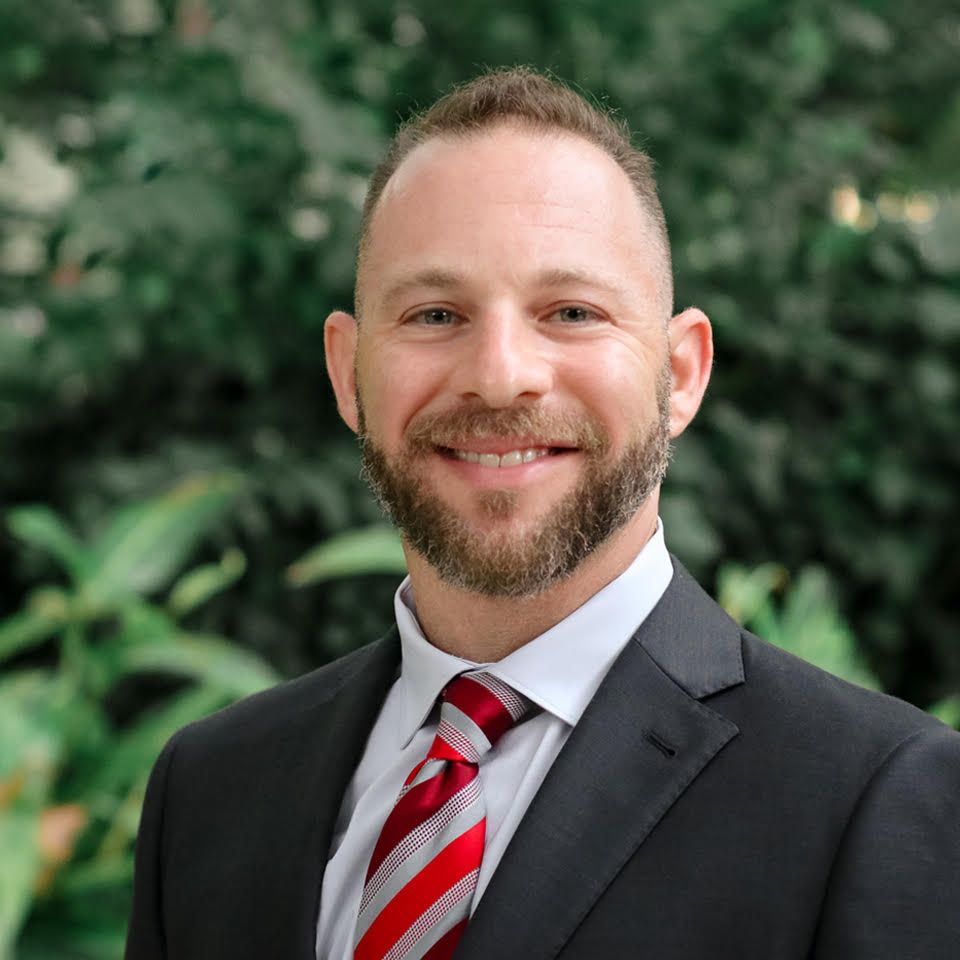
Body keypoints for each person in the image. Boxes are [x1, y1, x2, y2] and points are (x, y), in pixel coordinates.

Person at [125, 68, 960, 960]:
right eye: (436, 312)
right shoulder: (212, 788)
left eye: (570, 311)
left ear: (680, 374)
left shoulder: (872, 797)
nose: (500, 373)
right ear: (347, 373)